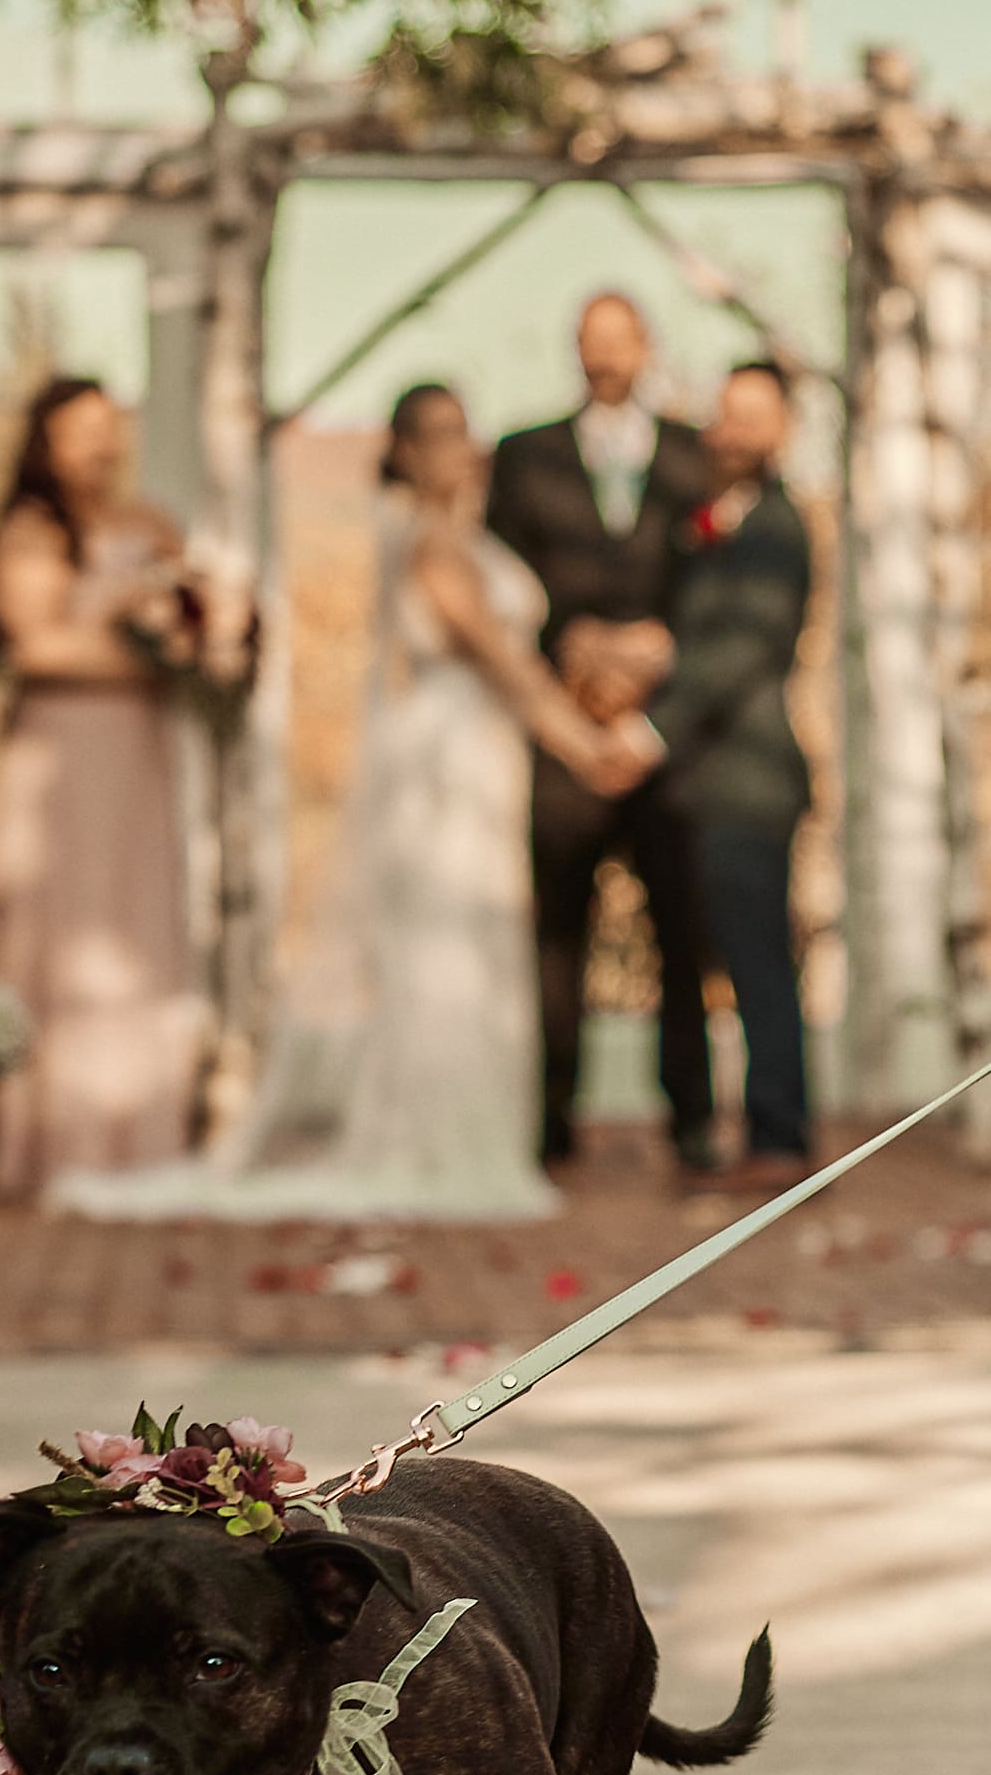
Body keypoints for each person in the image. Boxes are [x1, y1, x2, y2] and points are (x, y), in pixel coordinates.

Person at [52, 381, 629, 1226]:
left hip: (482, 755)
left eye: (464, 433)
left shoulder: (470, 539)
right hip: (445, 761)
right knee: (444, 949)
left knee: (483, 943)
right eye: (434, 434)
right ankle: (437, 1142)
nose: (454, 450)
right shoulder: (429, 545)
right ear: (399, 451)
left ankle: (477, 1135)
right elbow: (502, 662)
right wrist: (584, 747)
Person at [488, 292, 715, 1176]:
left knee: (680, 932)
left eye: (619, 342)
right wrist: (574, 650)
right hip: (564, 738)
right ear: (573, 352)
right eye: (589, 344)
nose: (604, 359)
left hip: (665, 741)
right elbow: (501, 586)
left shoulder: (693, 457)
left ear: (646, 349)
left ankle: (691, 1121)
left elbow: (707, 593)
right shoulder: (522, 456)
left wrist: (655, 657)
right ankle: (551, 1121)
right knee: (556, 937)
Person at [0, 374, 204, 1198]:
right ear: (46, 441)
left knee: (135, 917)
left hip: (136, 752)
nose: (102, 447)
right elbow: (36, 647)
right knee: (59, 923)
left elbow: (195, 612)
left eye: (110, 429)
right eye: (82, 430)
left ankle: (138, 1135)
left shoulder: (150, 524)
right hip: (61, 751)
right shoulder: (32, 531)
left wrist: (197, 647)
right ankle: (50, 1141)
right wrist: (148, 660)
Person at [606, 358, 814, 1194]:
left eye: (750, 418)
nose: (730, 434)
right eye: (723, 416)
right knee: (719, 959)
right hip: (703, 785)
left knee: (759, 962)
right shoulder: (705, 523)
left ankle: (781, 1137)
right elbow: (686, 639)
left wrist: (649, 730)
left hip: (750, 783)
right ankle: (750, 1128)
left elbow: (737, 653)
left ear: (781, 431)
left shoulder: (779, 527)